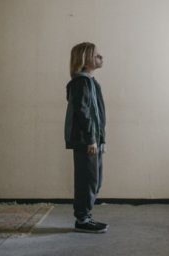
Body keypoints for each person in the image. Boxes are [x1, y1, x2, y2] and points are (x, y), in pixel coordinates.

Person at [64, 42, 108, 233]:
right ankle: (82, 219)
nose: (101, 57)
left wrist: (102, 139)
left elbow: (99, 114)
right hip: (85, 141)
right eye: (97, 55)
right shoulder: (80, 82)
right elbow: (83, 114)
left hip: (94, 140)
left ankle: (85, 216)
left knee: (95, 180)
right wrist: (91, 139)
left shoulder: (91, 81)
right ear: (86, 58)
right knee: (86, 180)